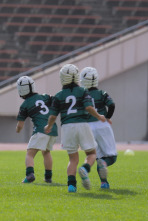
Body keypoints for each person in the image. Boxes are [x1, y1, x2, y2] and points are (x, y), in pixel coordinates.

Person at [44, 64, 106, 193]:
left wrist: (49, 126)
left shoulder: (58, 95)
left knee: (73, 159)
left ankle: (71, 185)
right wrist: (99, 116)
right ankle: (85, 168)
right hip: (82, 124)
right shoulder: (83, 91)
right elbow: (89, 107)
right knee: (92, 153)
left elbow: (53, 116)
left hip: (67, 127)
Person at [15, 76, 58, 184]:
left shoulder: (24, 105)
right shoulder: (45, 97)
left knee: (30, 154)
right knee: (46, 152)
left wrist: (18, 130)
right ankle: (48, 177)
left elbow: (20, 125)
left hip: (40, 129)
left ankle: (29, 175)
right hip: (53, 128)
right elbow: (56, 102)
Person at [80, 67, 117, 189]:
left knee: (97, 156)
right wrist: (107, 117)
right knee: (110, 157)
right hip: (101, 125)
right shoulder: (102, 93)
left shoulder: (81, 95)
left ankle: (103, 182)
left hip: (87, 127)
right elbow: (111, 105)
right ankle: (104, 177)